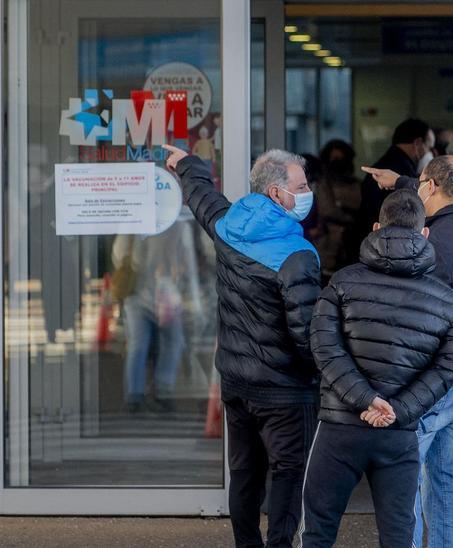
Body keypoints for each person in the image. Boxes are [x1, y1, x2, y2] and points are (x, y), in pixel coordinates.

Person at [163, 144, 321, 548]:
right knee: (289, 474)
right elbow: (306, 334)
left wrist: (186, 165)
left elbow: (203, 198)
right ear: (275, 193)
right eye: (301, 186)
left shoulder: (230, 224)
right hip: (284, 390)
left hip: (236, 381)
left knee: (245, 474)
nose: (308, 192)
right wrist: (323, 376)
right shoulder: (297, 255)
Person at [297, 190, 453, 548]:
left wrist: (364, 399)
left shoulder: (342, 282)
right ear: (424, 234)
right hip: (399, 433)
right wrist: (397, 409)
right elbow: (450, 367)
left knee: (317, 532)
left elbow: (324, 348)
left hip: (339, 427)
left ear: (376, 228)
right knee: (398, 537)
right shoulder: (446, 299)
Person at [362, 156, 453, 548]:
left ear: (431, 187)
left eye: (421, 184)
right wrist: (402, 180)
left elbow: (414, 315)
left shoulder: (432, 244)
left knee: (406, 485)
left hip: (424, 381)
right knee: (445, 482)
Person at [111, 231, 188, 413]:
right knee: (172, 340)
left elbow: (118, 257)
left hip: (136, 294)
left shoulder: (130, 228)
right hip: (164, 294)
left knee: (138, 345)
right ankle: (163, 390)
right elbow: (181, 263)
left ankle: (135, 396)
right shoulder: (171, 226)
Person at [348, 119, 433, 265]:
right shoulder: (401, 171)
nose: (431, 153)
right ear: (418, 143)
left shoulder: (386, 165)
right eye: (430, 147)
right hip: (386, 251)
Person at [314, 139, 361, 275]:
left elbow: (363, 209)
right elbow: (328, 211)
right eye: (334, 158)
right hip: (329, 249)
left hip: (353, 248)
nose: (338, 162)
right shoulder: (323, 184)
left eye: (341, 158)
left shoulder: (357, 184)